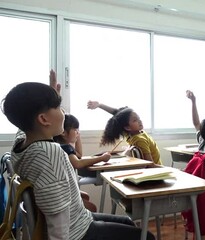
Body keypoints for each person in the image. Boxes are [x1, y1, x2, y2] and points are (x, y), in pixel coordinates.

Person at [1, 70, 155, 240]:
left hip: (80, 217)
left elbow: (24, 126)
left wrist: (51, 94)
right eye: (58, 108)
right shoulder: (51, 154)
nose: (64, 113)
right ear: (44, 120)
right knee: (146, 236)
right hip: (77, 232)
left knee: (129, 223)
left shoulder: (20, 147)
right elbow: (57, 220)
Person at [54, 113, 111, 212]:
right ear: (63, 132)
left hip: (63, 190)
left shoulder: (60, 146)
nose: (77, 132)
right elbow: (78, 163)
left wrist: (77, 137)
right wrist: (102, 158)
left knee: (86, 196)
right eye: (75, 130)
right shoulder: (65, 148)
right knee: (92, 208)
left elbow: (79, 154)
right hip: (64, 193)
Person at [87, 101, 162, 165]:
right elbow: (118, 115)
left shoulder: (139, 138)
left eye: (139, 118)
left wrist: (100, 105)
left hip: (156, 172)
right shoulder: (133, 135)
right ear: (127, 127)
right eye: (135, 120)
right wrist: (99, 105)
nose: (140, 121)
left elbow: (150, 164)